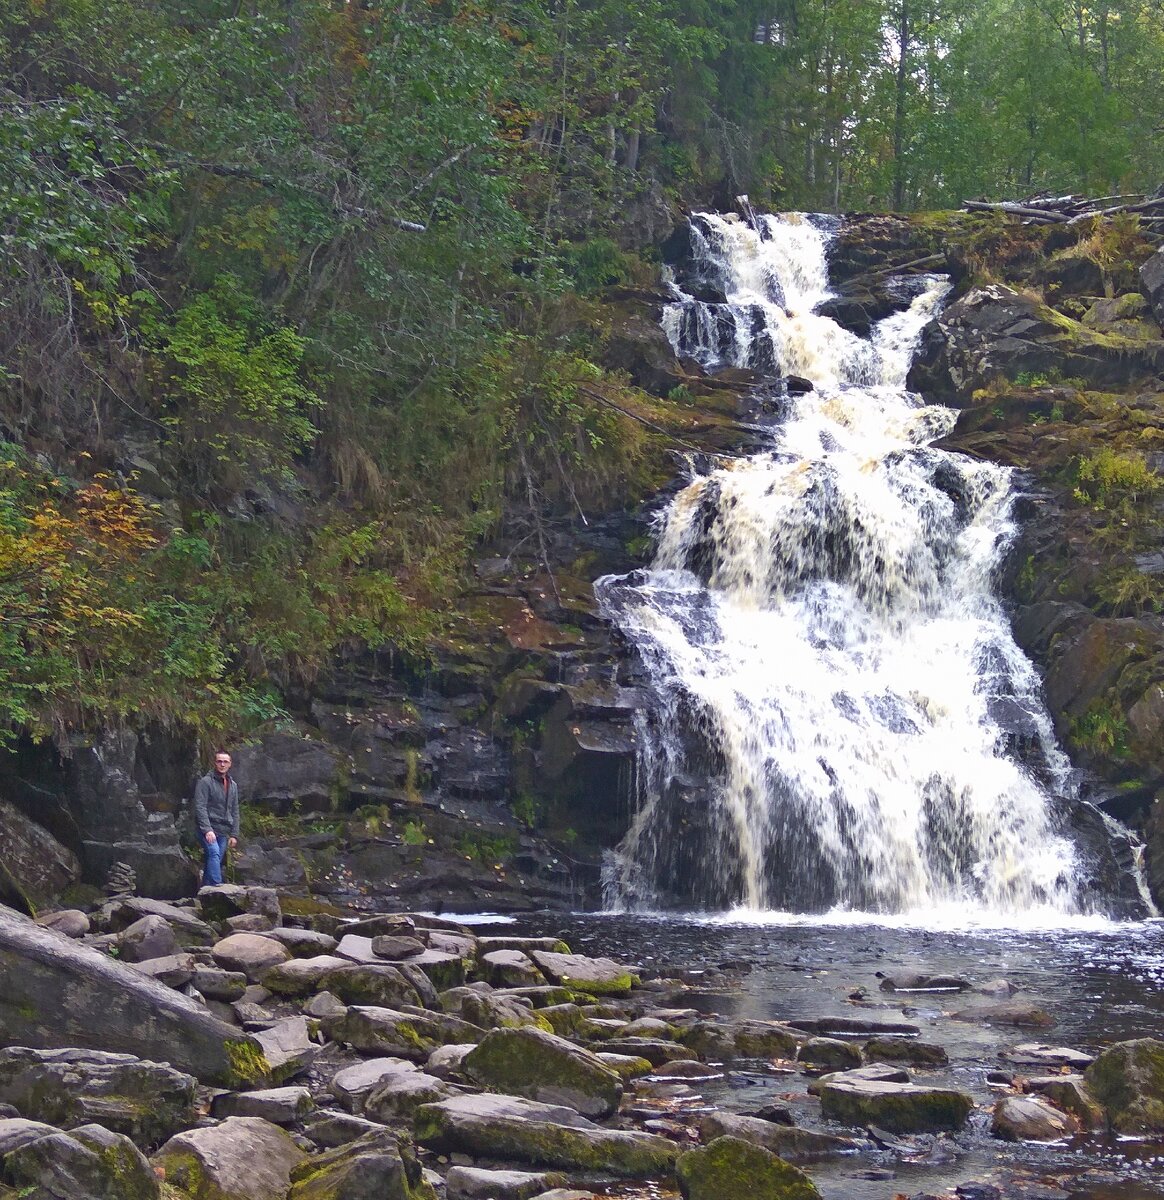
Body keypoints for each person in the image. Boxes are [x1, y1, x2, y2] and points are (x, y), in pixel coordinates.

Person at [194, 751, 240, 887]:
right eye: (219, 761)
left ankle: (205, 892)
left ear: (230, 764)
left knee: (214, 859)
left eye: (225, 762)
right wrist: (207, 830)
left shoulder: (233, 785)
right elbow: (200, 807)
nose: (222, 764)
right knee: (214, 853)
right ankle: (218, 887)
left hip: (224, 829)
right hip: (207, 827)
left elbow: (235, 810)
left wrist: (234, 834)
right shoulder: (205, 782)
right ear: (215, 763)